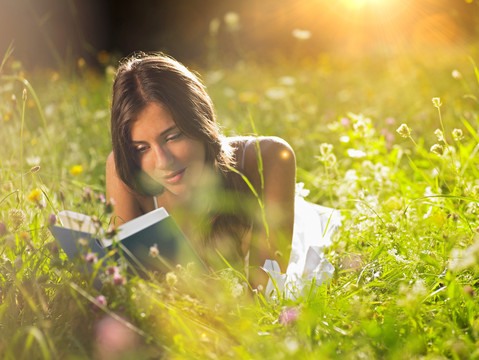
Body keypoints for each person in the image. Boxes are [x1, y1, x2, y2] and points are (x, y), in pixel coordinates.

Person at [106, 53, 296, 286]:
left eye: (173, 137)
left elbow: (266, 294)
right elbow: (129, 287)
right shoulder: (125, 169)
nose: (163, 162)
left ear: (201, 120)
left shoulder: (269, 158)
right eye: (142, 148)